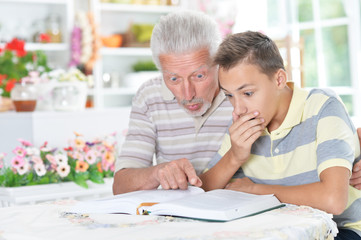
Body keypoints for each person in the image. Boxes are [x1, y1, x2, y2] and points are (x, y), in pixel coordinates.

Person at [199, 31, 361, 239]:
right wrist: (235, 156)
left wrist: (257, 190)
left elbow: (333, 200)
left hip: (339, 229)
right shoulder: (245, 123)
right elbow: (202, 191)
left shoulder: (323, 108)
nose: (237, 109)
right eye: (229, 95)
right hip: (278, 229)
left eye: (247, 93)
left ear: (279, 79)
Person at [112, 10, 233, 194]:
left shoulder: (240, 92)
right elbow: (120, 186)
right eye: (174, 79)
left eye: (199, 76)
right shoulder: (149, 96)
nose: (188, 94)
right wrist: (157, 173)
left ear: (218, 63)